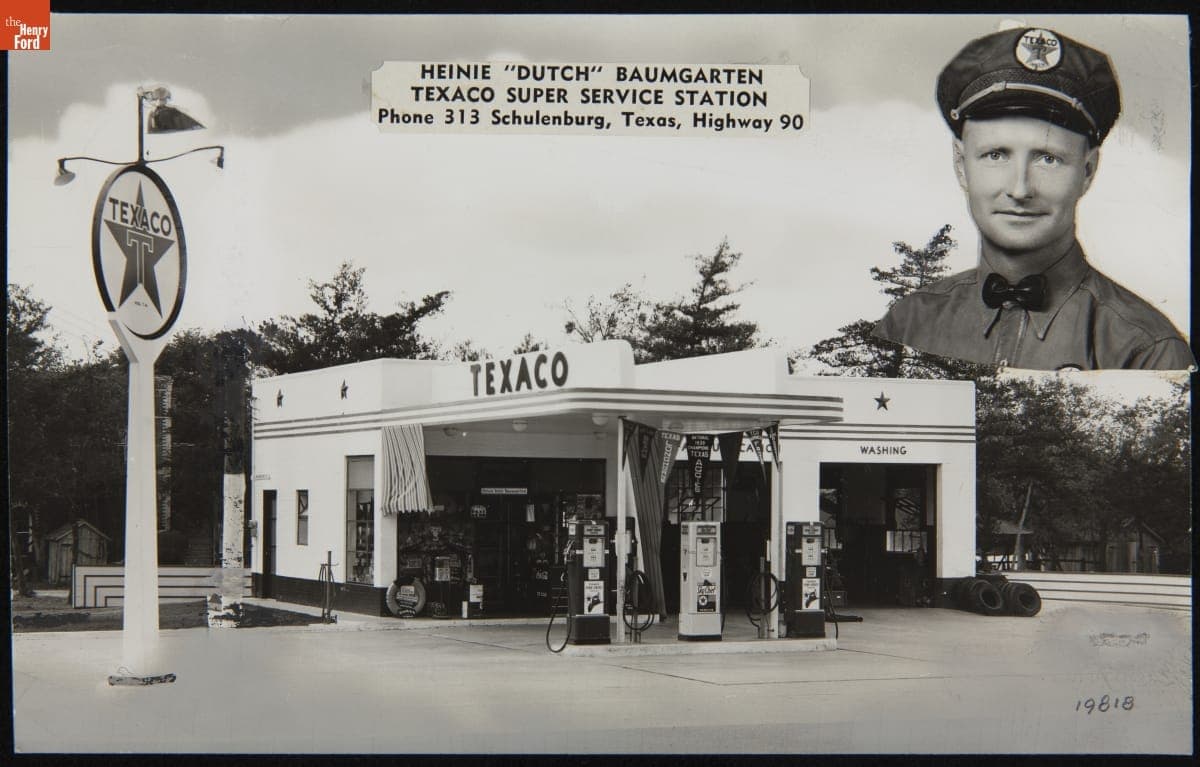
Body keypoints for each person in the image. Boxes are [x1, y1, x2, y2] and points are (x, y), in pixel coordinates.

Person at [874, 27, 1193, 371]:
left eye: (1048, 158)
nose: (1020, 189)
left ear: (1087, 170)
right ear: (960, 165)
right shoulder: (907, 324)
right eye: (996, 155)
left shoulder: (1148, 351)